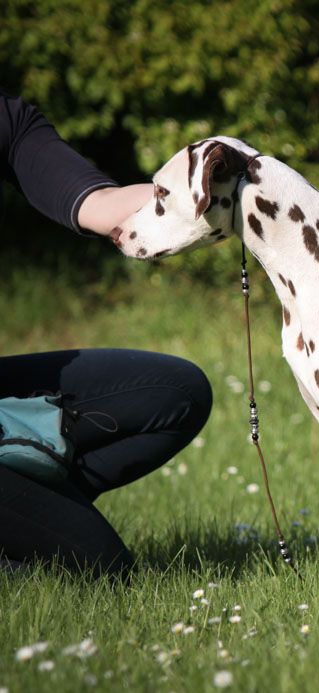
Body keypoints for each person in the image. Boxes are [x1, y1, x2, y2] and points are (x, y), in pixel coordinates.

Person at [0, 90, 212, 577]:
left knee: (176, 392)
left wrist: (214, 190)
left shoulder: (6, 119)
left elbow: (100, 204)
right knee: (102, 568)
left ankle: (30, 509)